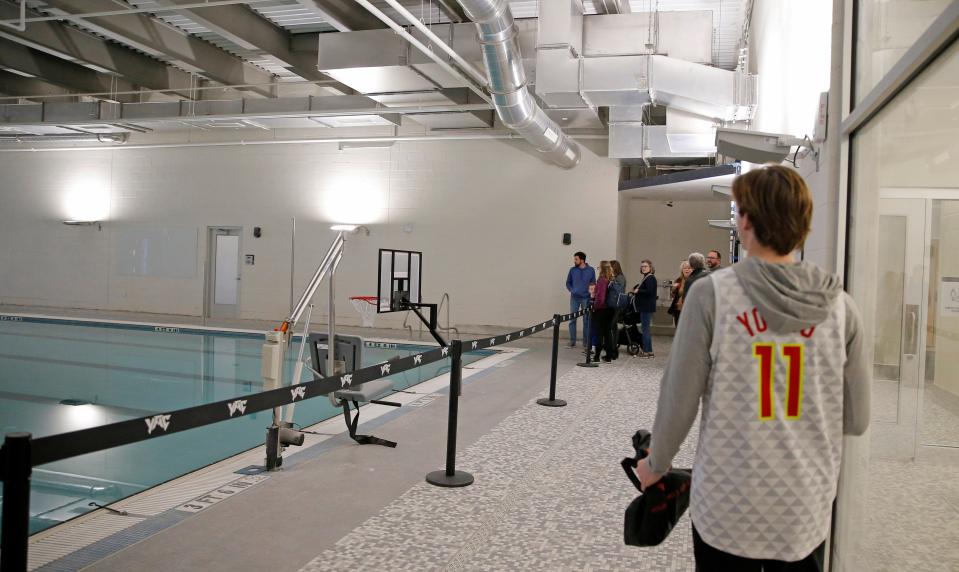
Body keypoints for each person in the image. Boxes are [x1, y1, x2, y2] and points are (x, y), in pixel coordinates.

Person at [634, 165, 871, 571]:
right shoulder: (841, 307)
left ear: (744, 221)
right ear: (804, 224)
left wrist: (655, 465)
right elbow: (856, 418)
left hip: (728, 502)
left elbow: (680, 400)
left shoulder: (713, 295)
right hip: (804, 506)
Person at [566, 251, 595, 348]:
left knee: (586, 320)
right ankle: (572, 341)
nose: (574, 261)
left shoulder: (591, 270)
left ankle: (586, 342)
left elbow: (593, 283)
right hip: (574, 298)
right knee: (572, 320)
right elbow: (568, 283)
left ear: (582, 260)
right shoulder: (572, 270)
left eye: (576, 259)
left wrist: (590, 294)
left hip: (586, 298)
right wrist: (572, 290)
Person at [592, 261, 615, 362]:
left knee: (599, 333)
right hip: (611, 309)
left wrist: (595, 306)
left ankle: (596, 356)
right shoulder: (611, 279)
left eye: (599, 267)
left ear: (601, 268)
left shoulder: (602, 280)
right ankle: (609, 356)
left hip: (602, 310)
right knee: (607, 333)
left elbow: (600, 298)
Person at [634, 259, 657, 358]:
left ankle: (646, 352)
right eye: (642, 266)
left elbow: (649, 291)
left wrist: (638, 290)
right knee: (646, 329)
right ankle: (650, 351)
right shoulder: (647, 277)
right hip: (646, 307)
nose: (643, 268)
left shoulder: (650, 278)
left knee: (645, 329)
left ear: (650, 268)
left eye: (645, 266)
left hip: (646, 307)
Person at [609, 260, 628, 359]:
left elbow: (619, 289)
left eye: (610, 266)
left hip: (617, 306)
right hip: (613, 305)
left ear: (614, 267)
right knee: (614, 327)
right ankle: (613, 347)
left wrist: (611, 283)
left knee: (612, 326)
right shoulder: (615, 277)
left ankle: (613, 349)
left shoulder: (620, 277)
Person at [667, 261, 692, 326]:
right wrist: (673, 290)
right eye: (685, 268)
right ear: (682, 270)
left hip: (689, 310)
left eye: (689, 268)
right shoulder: (678, 280)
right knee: (678, 328)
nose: (687, 269)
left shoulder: (694, 280)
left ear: (692, 269)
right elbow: (673, 295)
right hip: (678, 309)